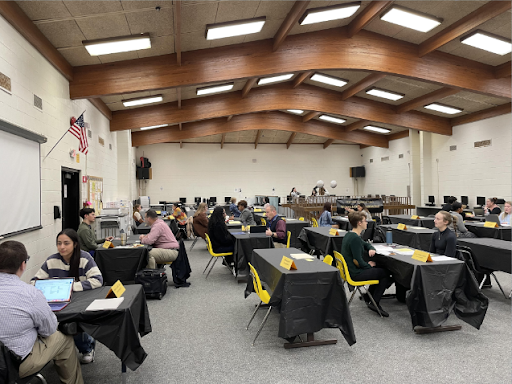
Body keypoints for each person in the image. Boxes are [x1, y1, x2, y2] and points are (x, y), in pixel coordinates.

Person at [0, 241, 84, 384]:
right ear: (23, 265)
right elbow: (49, 330)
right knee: (64, 338)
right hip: (12, 366)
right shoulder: (30, 294)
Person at [32, 229, 103, 364]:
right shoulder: (51, 260)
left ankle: (87, 348)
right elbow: (34, 281)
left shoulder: (85, 258)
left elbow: (97, 280)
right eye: (59, 243)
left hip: (79, 302)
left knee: (73, 324)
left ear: (75, 244)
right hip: (58, 302)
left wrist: (69, 287)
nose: (62, 247)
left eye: (66, 243)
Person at [341, 212, 393, 317]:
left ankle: (369, 297)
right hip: (355, 273)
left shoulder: (350, 234)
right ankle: (375, 302)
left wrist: (371, 248)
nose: (367, 223)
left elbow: (365, 244)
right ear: (359, 223)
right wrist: (369, 265)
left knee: (379, 269)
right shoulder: (355, 238)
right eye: (365, 221)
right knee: (385, 273)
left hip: (351, 270)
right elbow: (358, 260)